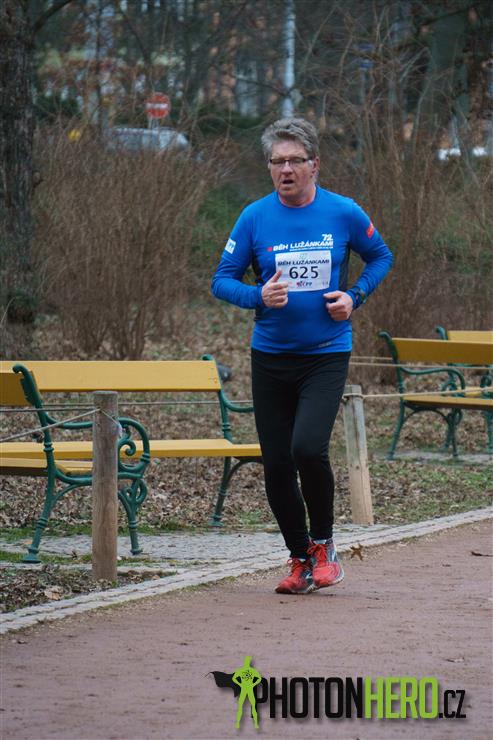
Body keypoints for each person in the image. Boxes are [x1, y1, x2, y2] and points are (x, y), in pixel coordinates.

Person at [211, 118, 393, 595]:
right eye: (277, 161)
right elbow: (221, 280)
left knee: (307, 449)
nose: (286, 169)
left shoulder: (343, 212)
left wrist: (354, 296)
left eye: (295, 160)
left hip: (325, 354)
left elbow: (381, 257)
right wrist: (257, 296)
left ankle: (325, 545)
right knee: (276, 464)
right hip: (270, 356)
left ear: (315, 165)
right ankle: (299, 557)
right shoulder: (254, 217)